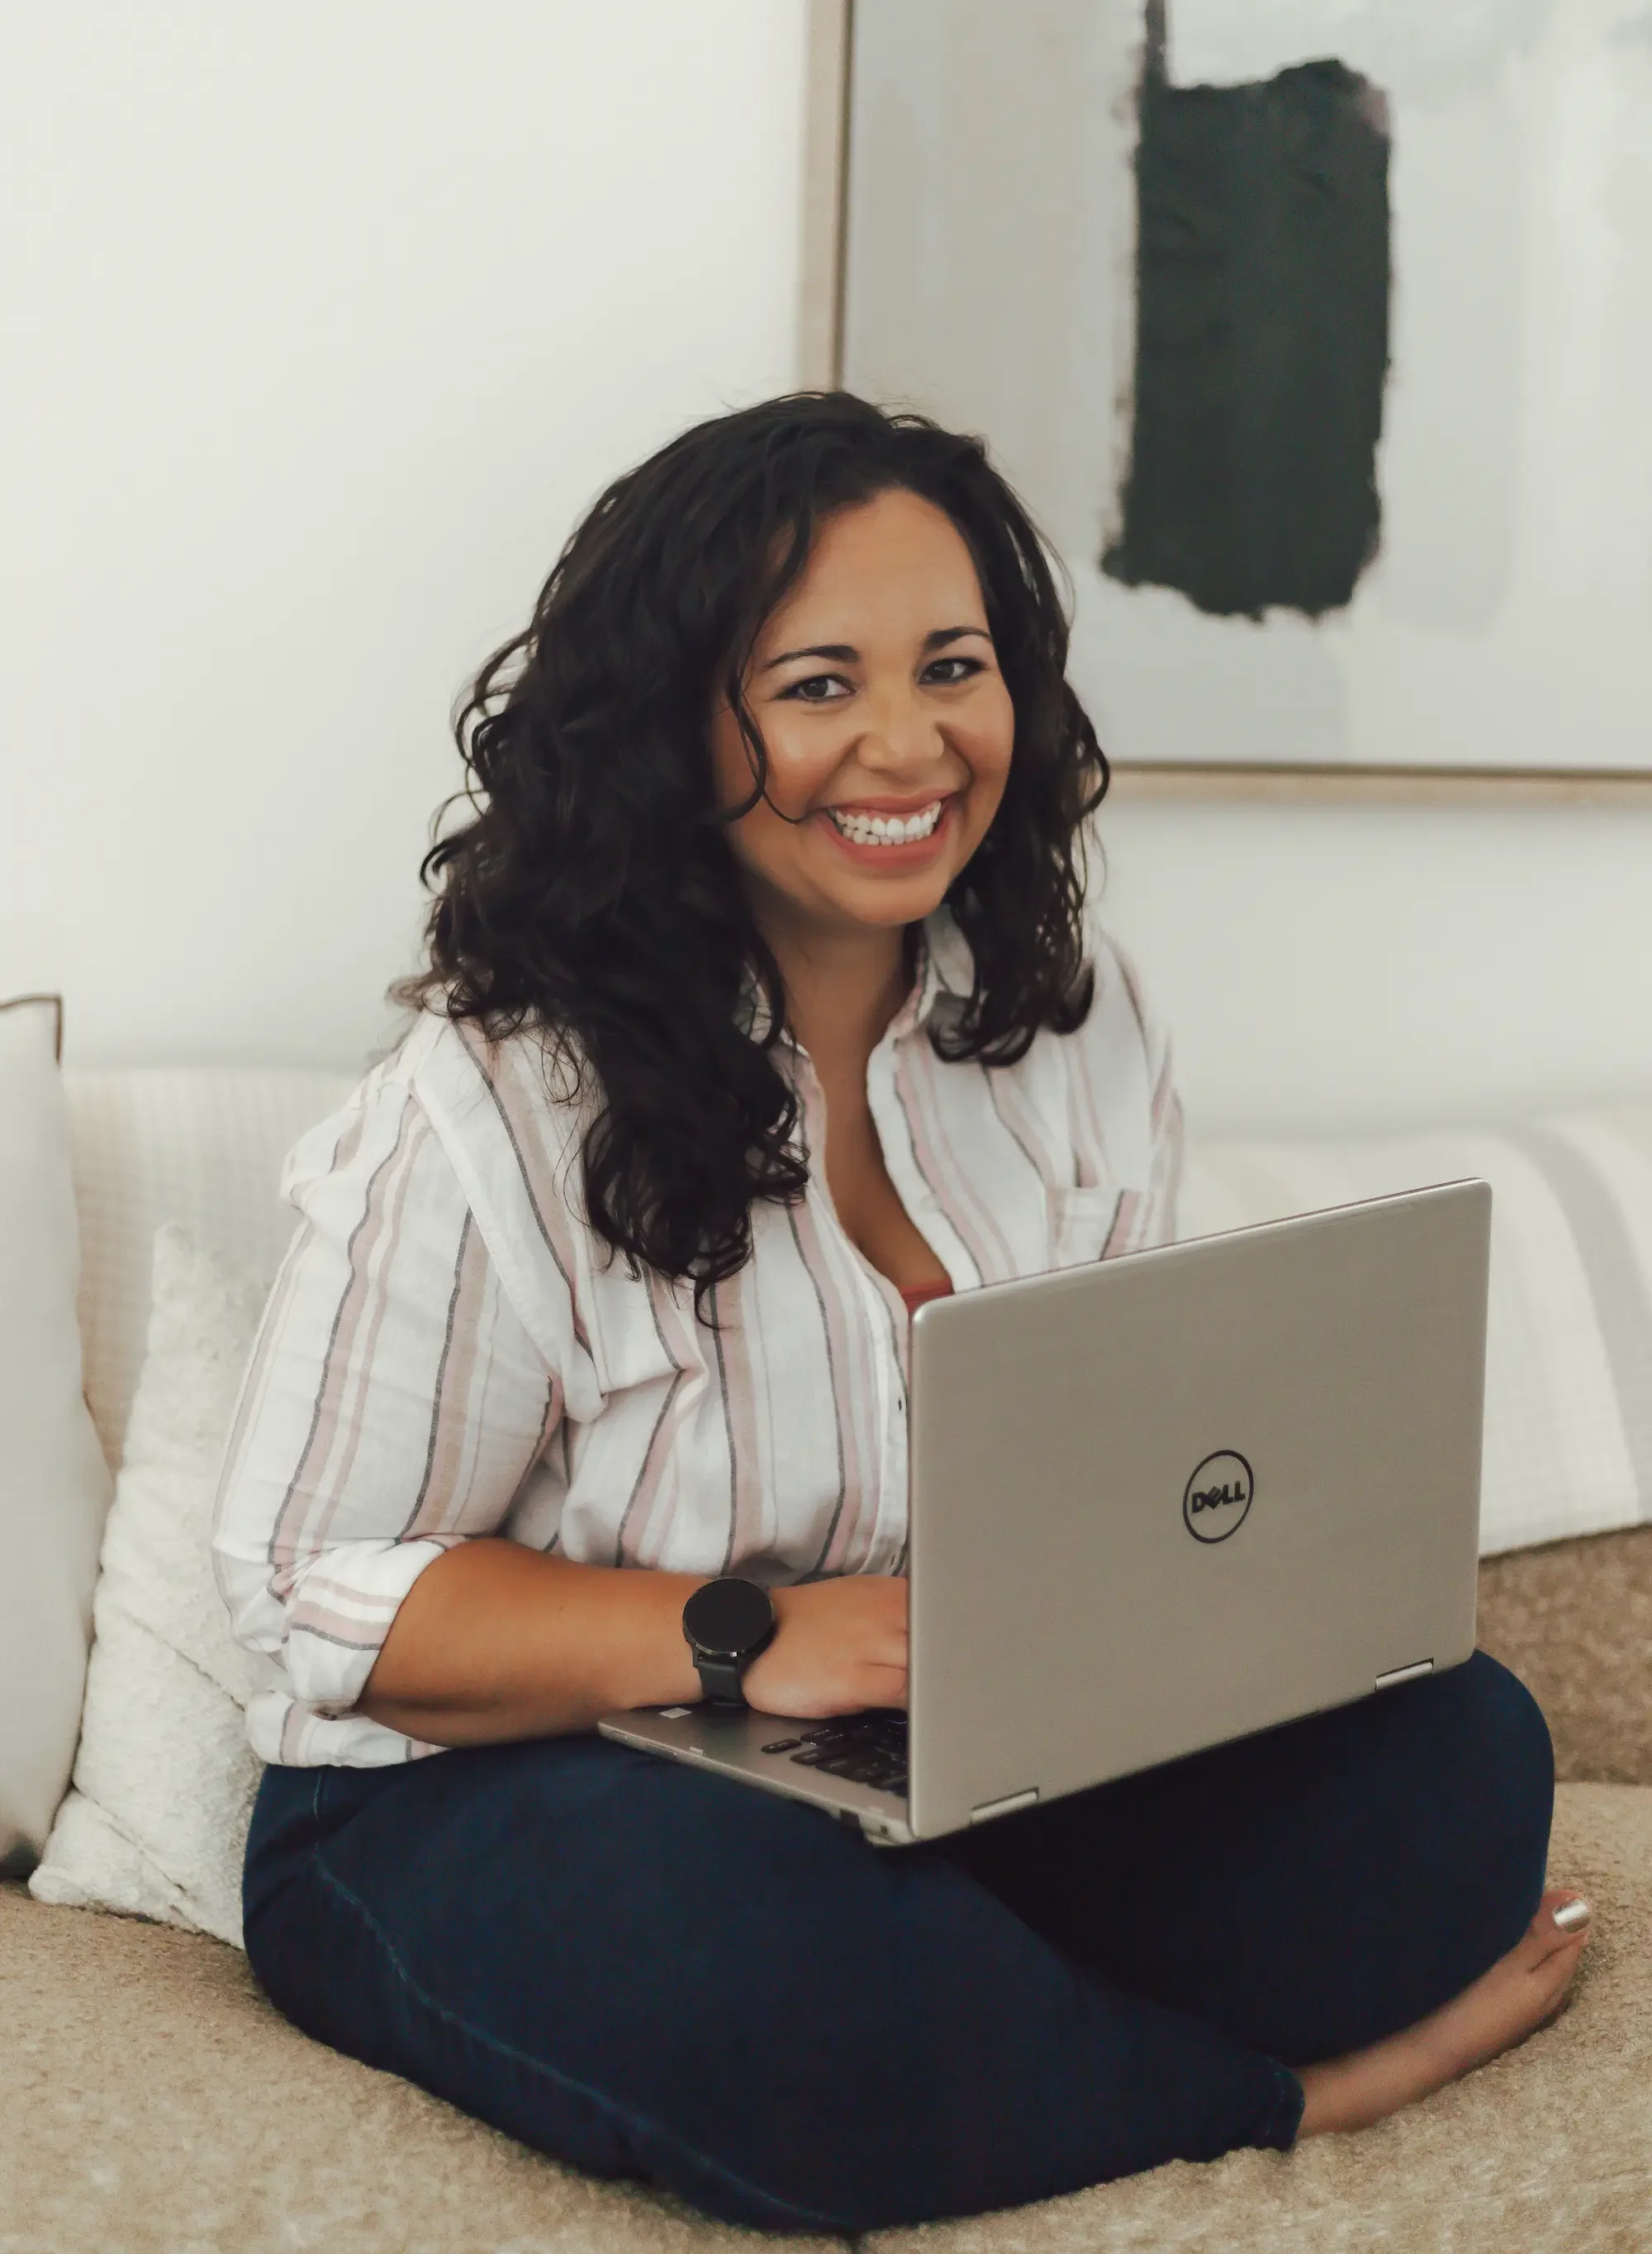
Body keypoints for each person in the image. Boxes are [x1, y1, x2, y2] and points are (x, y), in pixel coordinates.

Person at [212, 392, 1588, 2234]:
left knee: (1459, 1758)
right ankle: (1275, 2090)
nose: (907, 739)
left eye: (953, 664)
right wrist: (741, 1635)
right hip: (498, 1778)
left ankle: (989, 2017)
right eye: (814, 682)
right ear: (674, 725)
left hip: (934, 1743)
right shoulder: (489, 1103)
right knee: (768, 1969)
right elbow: (307, 1580)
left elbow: (1120, 1455)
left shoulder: (1075, 1032)